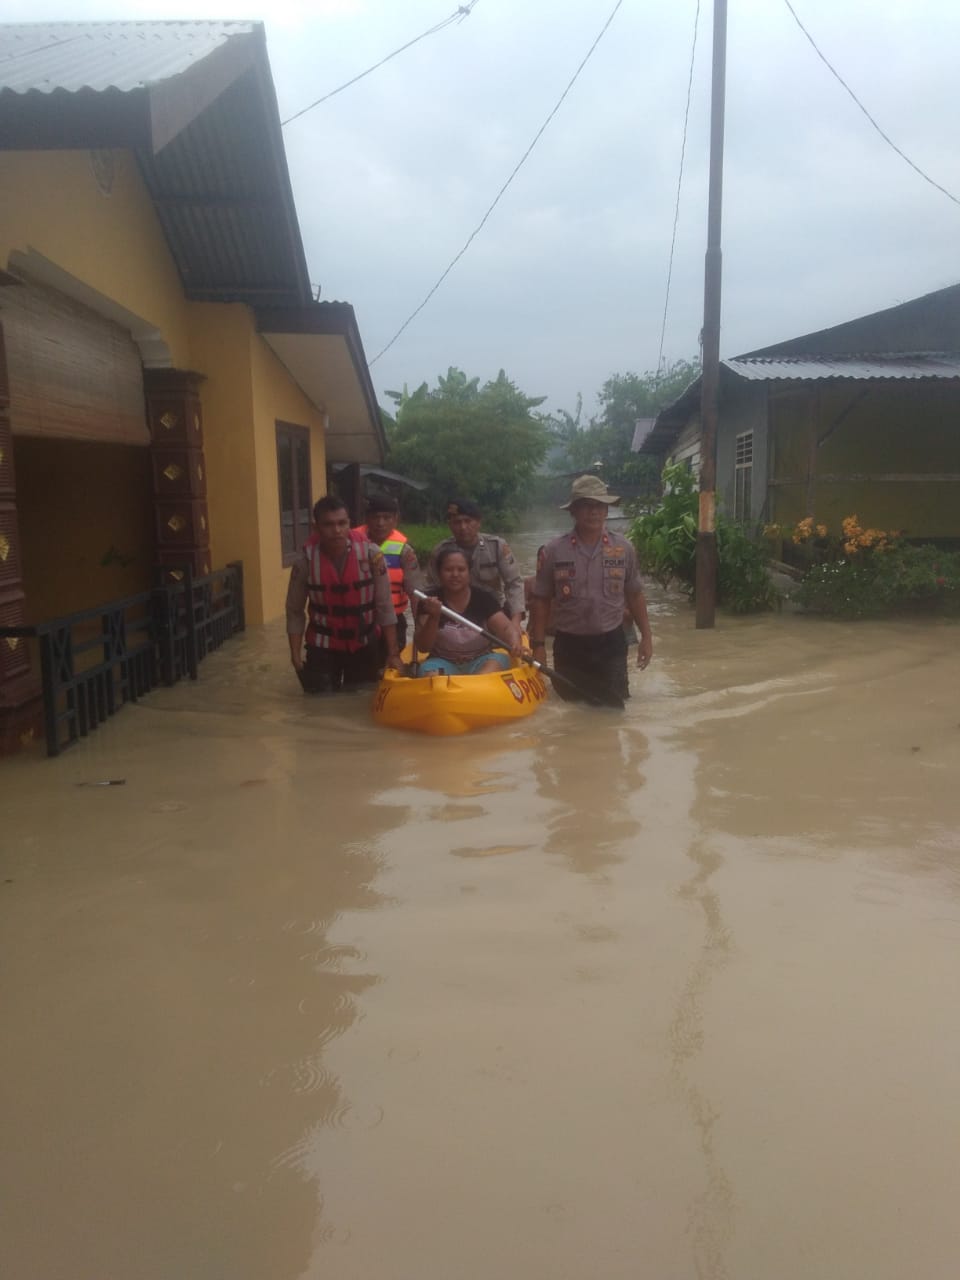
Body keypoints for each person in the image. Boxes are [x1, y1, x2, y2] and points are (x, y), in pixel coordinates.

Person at [528, 474, 653, 703]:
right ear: (573, 511)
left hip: (611, 645)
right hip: (569, 645)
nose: (594, 512)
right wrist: (538, 646)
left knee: (614, 708)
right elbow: (541, 600)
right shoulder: (553, 551)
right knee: (570, 711)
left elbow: (635, 594)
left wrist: (646, 636)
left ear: (606, 511)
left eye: (599, 506)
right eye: (586, 506)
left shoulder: (624, 548)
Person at [286, 495, 404, 694]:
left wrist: (393, 653)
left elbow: (385, 605)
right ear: (316, 528)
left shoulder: (371, 555)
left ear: (350, 523)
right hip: (322, 645)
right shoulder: (304, 562)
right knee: (318, 704)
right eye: (329, 525)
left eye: (342, 523)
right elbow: (294, 611)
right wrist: (295, 656)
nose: (337, 530)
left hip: (363, 643)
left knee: (360, 701)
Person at [415, 546, 522, 676]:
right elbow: (423, 647)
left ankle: (479, 683)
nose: (455, 575)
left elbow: (506, 628)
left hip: (481, 659)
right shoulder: (428, 601)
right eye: (448, 570)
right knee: (430, 673)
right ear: (439, 573)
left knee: (498, 661)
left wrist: (514, 640)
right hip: (441, 661)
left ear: (469, 573)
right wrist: (434, 617)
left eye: (461, 570)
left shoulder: (485, 598)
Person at [428, 498, 524, 634]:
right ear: (450, 525)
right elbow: (431, 589)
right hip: (453, 615)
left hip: (493, 612)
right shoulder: (440, 551)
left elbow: (514, 583)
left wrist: (515, 622)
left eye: (468, 521)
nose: (463, 527)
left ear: (478, 523)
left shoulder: (497, 546)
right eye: (457, 522)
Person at [352, 493, 423, 654]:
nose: (380, 523)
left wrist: (420, 628)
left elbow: (416, 594)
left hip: (394, 620)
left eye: (386, 517)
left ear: (395, 519)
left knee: (392, 669)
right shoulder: (351, 546)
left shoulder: (405, 551)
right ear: (367, 518)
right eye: (375, 517)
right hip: (359, 622)